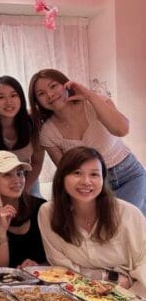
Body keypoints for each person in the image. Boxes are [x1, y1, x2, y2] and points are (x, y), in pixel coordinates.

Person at [29, 68, 146, 215]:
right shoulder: (48, 132)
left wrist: (88, 94)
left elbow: (122, 130)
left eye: (53, 86)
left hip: (129, 175)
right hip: (93, 187)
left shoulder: (94, 103)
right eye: (41, 93)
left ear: (66, 84)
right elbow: (66, 172)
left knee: (125, 221)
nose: (50, 94)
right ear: (37, 101)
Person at [38, 146, 146, 296]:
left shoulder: (128, 214)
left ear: (103, 179)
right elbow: (62, 268)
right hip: (75, 294)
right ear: (61, 177)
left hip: (133, 294)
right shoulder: (48, 213)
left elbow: (143, 263)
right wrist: (109, 277)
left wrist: (130, 296)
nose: (86, 181)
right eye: (77, 173)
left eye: (94, 174)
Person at [0, 151, 47, 268]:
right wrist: (2, 231)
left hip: (45, 276)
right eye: (7, 175)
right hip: (6, 278)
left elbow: (58, 257)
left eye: (19, 173)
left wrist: (38, 267)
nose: (16, 180)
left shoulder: (42, 208)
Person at [0, 75, 44, 195]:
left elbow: (37, 162)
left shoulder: (33, 124)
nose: (8, 102)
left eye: (13, 95)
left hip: (26, 174)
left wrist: (22, 192)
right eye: (1, 97)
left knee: (34, 203)